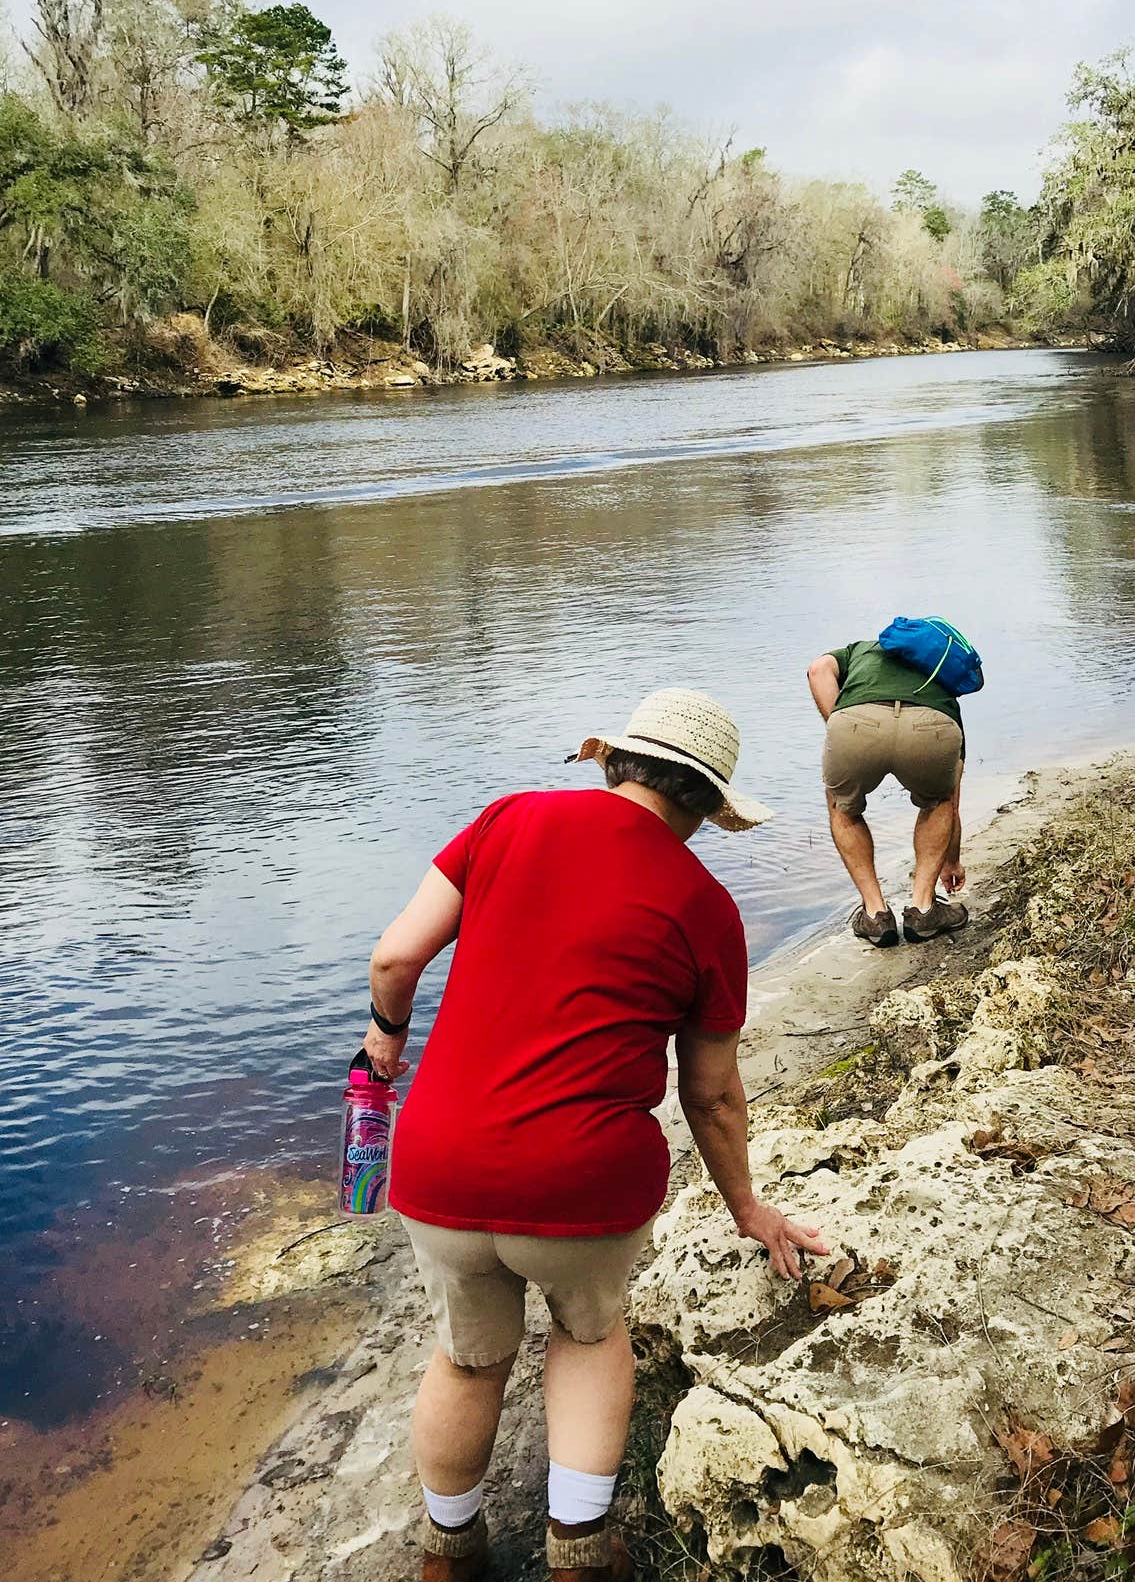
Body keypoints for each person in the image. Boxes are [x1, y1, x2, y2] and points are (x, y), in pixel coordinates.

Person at [360, 688, 826, 1582]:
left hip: (441, 1163)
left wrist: (384, 1034)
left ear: (612, 763)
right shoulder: (706, 906)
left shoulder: (505, 821)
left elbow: (395, 957)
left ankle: (447, 1554)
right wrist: (748, 1208)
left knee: (464, 1362)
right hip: (582, 1181)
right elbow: (713, 1093)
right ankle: (576, 1552)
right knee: (586, 1337)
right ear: (701, 807)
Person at [806, 634, 968, 949]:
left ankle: (875, 914)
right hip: (932, 724)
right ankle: (923, 909)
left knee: (842, 807)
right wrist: (952, 861)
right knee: (939, 802)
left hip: (855, 721)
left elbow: (818, 669)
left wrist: (839, 721)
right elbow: (953, 803)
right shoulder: (940, 670)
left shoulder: (860, 650)